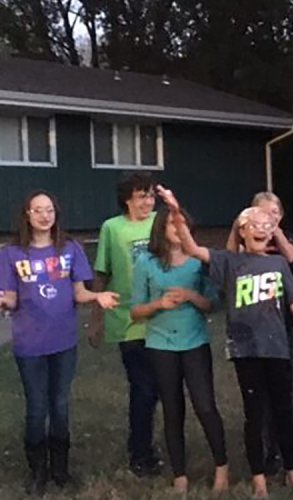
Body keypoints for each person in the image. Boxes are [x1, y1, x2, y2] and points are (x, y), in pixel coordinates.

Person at [156, 185, 293, 498]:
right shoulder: (229, 262)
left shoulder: (278, 265)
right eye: (255, 225)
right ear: (242, 230)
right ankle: (258, 478)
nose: (262, 230)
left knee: (284, 411)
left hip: (278, 349)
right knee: (255, 414)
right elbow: (192, 248)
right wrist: (176, 211)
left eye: (268, 225)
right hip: (246, 350)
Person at [0, 191, 118, 496]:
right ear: (27, 215)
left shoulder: (70, 248)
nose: (44, 216)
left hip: (63, 342)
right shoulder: (11, 253)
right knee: (37, 408)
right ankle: (37, 471)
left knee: (61, 406)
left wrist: (97, 296)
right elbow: (10, 299)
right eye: (37, 210)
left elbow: (79, 293)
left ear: (56, 213)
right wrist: (2, 301)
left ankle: (61, 471)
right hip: (29, 345)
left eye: (49, 210)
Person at [130, 207, 229, 494]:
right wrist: (158, 304)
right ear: (161, 228)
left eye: (181, 223)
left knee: (205, 406)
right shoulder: (146, 262)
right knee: (173, 410)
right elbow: (136, 311)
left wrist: (190, 296)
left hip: (194, 343)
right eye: (172, 223)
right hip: (160, 345)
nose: (176, 227)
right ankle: (180, 475)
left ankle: (222, 467)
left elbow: (213, 304)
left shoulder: (198, 261)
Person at [87, 173, 162, 477]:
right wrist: (96, 319)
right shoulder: (111, 228)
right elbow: (102, 273)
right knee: (143, 388)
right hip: (128, 320)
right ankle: (140, 453)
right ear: (127, 199)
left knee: (160, 389)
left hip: (163, 319)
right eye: (141, 195)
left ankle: (157, 446)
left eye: (151, 195)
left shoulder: (161, 221)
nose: (148, 201)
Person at [226, 191, 293, 476]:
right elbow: (230, 257)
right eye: (260, 213)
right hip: (253, 333)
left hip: (284, 328)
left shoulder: (286, 240)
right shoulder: (245, 246)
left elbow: (291, 256)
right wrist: (241, 227)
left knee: (287, 396)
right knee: (260, 401)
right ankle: (267, 454)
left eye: (272, 213)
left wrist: (275, 229)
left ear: (280, 216)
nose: (266, 219)